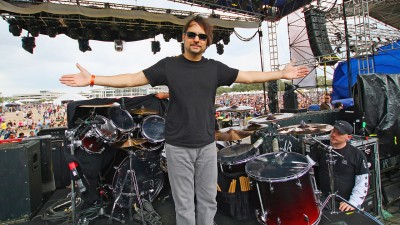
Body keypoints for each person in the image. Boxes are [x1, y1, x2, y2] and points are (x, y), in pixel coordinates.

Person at [60, 15, 309, 225]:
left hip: (207, 147)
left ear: (207, 41)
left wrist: (282, 73)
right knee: (184, 205)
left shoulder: (215, 68)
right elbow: (132, 78)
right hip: (178, 147)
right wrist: (93, 79)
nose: (196, 40)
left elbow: (249, 76)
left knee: (208, 201)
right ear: (184, 37)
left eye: (202, 36)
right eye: (192, 35)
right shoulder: (169, 66)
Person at [306, 120, 369, 212]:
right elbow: (305, 165)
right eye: (333, 131)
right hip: (324, 199)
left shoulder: (357, 154)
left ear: (348, 137)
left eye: (339, 133)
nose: (334, 135)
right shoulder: (320, 147)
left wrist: (353, 202)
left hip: (346, 201)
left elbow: (363, 181)